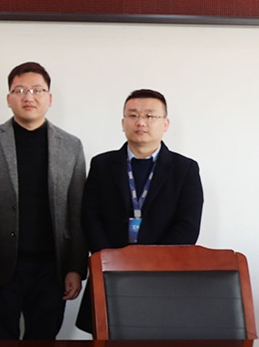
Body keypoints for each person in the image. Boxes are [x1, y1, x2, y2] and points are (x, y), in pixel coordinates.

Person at [0, 62, 86, 340]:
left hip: (52, 268)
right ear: (9, 98)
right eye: (19, 90)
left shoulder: (71, 146)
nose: (28, 97)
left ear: (49, 98)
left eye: (37, 90)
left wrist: (75, 267)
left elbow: (77, 211)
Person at [76, 88, 203, 334]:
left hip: (163, 278)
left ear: (165, 124)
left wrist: (151, 264)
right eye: (133, 115)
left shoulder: (185, 169)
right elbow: (90, 217)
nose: (141, 122)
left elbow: (187, 226)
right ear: (123, 122)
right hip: (110, 275)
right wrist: (110, 260)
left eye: (150, 116)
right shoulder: (102, 165)